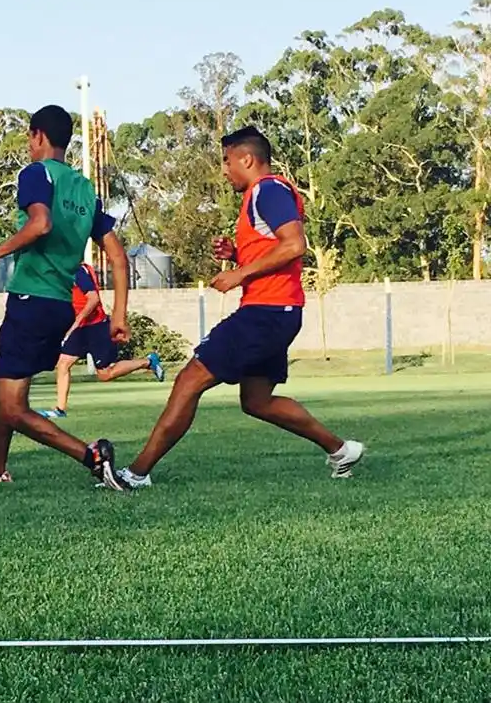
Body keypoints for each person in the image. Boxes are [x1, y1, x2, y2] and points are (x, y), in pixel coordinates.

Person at [101, 126, 364, 491]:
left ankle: (135, 474)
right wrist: (237, 254)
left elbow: (294, 246)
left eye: (226, 162)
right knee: (257, 402)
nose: (224, 170)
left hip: (265, 313)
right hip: (279, 312)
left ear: (247, 159)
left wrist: (239, 273)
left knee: (188, 381)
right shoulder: (266, 194)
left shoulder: (267, 190)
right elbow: (275, 248)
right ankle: (341, 450)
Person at [0, 104, 130, 486]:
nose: (28, 145)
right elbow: (119, 258)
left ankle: (91, 456)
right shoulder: (85, 189)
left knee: (13, 406)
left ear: (38, 136)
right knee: (6, 387)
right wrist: (119, 316)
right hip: (58, 306)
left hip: (30, 300)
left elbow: (40, 224)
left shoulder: (36, 173)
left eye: (28, 138)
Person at [37, 261, 165, 420]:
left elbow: (93, 299)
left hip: (96, 327)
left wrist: (77, 321)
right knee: (63, 364)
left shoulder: (78, 271)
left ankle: (147, 361)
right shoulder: (60, 271)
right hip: (79, 328)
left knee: (104, 374)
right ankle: (60, 410)